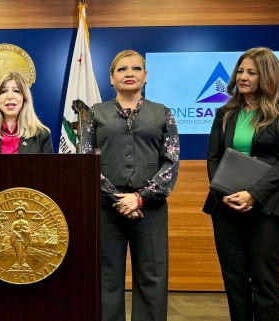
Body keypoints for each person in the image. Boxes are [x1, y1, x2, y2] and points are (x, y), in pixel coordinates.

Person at [79, 49, 180, 321]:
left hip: (151, 210)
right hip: (105, 210)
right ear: (111, 78)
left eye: (136, 69)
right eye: (122, 69)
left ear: (145, 76)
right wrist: (116, 197)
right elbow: (86, 161)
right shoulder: (95, 114)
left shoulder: (163, 113)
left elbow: (171, 163)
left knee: (152, 277)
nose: (129, 74)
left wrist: (140, 197)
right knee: (105, 277)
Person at [203, 47, 279, 321]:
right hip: (226, 206)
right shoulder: (225, 112)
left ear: (267, 76)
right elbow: (213, 156)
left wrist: (254, 195)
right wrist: (223, 192)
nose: (242, 76)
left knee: (263, 279)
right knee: (234, 280)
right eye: (241, 71)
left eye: (251, 72)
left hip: (269, 207)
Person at [0, 72, 52, 154]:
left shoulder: (42, 135)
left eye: (16, 91)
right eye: (3, 91)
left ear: (24, 98)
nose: (10, 96)